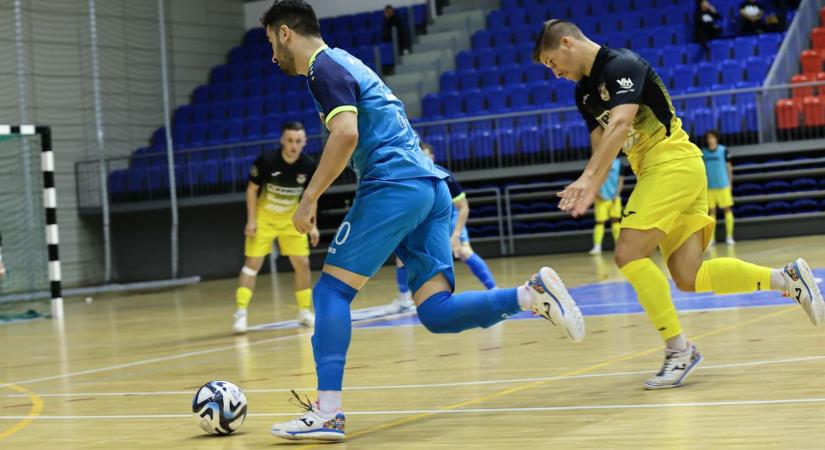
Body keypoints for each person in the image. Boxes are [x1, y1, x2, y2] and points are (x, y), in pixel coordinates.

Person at [260, 1, 585, 441]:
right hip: (432, 189)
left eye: (270, 42)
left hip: (394, 183)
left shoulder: (323, 66)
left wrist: (309, 197)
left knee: (332, 290)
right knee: (435, 311)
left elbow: (347, 133)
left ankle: (328, 413)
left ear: (284, 33)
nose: (272, 56)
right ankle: (529, 296)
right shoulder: (348, 62)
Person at [533, 19, 823, 390]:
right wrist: (595, 184)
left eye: (551, 62)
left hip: (672, 163)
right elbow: (602, 141)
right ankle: (787, 279)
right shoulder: (583, 94)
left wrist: (589, 178)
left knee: (627, 254)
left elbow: (621, 124)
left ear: (567, 43)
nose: (554, 73)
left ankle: (678, 349)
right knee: (688, 275)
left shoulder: (622, 65)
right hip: (662, 172)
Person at [387, 142, 497, 313]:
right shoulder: (409, 176)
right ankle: (403, 300)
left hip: (449, 218)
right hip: (424, 220)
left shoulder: (444, 175)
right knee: (401, 258)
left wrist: (456, 234)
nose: (421, 159)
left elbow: (463, 207)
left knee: (464, 251)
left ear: (432, 157)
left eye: (425, 155)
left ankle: (493, 291)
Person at [232, 121, 320, 334]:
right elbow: (252, 190)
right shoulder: (267, 161)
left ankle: (304, 311)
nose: (293, 145)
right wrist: (251, 220)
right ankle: (240, 313)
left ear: (304, 142)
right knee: (252, 264)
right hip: (265, 219)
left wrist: (312, 224)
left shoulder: (308, 165)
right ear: (282, 140)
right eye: (290, 140)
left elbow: (311, 196)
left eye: (298, 141)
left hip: (292, 220)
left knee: (303, 264)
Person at [701, 130, 735, 246]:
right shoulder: (704, 152)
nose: (710, 140)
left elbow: (729, 168)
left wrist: (730, 183)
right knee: (711, 212)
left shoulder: (723, 150)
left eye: (712, 137)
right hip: (710, 187)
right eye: (708, 138)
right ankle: (711, 239)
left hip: (723, 185)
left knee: (727, 209)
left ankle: (729, 236)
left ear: (716, 138)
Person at [589, 157, 628, 255]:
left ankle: (619, 246)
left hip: (614, 197)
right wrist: (597, 193)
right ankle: (597, 246)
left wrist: (617, 194)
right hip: (601, 197)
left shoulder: (620, 164)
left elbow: (620, 181)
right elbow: (592, 181)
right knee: (599, 222)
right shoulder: (597, 162)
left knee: (616, 221)